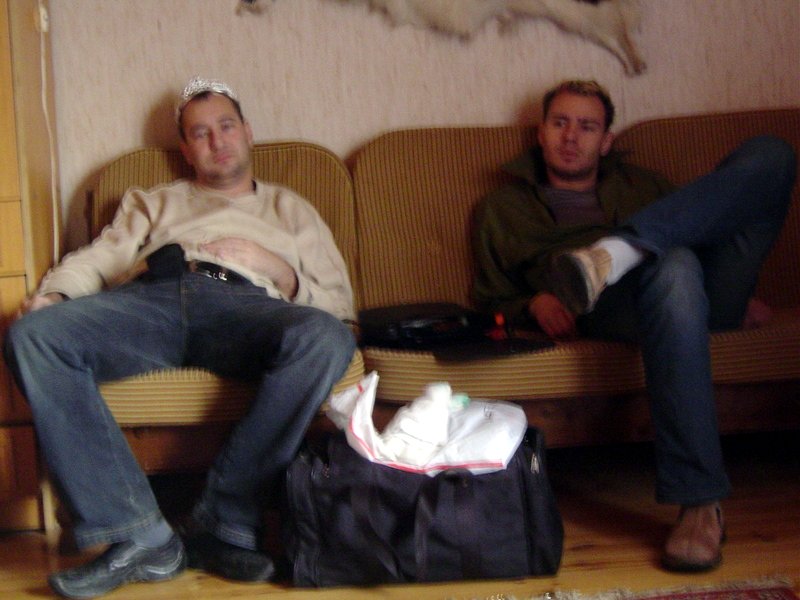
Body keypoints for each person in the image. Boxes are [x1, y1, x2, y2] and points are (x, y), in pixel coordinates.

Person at [3, 77, 357, 598]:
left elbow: (340, 309)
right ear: (186, 150)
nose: (217, 141)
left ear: (248, 132)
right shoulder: (153, 202)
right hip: (150, 300)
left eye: (226, 126)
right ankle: (139, 533)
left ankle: (225, 516)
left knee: (326, 340)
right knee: (33, 335)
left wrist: (279, 270)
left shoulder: (292, 210)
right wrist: (54, 295)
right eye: (200, 133)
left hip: (247, 308)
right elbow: (98, 258)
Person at [472, 80, 796, 572]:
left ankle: (617, 251)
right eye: (560, 123)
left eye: (587, 127)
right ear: (540, 133)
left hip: (700, 291)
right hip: (615, 305)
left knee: (773, 155)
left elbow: (704, 227)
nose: (571, 137)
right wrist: (532, 304)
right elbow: (490, 298)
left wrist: (735, 292)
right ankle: (700, 502)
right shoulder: (503, 208)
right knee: (674, 265)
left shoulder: (645, 186)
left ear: (606, 141)